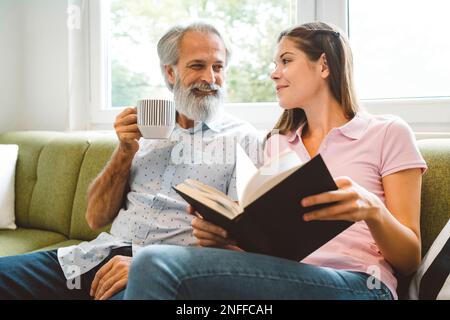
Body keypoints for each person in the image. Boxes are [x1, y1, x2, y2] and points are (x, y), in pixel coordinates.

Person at [124, 22, 427, 300]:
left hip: (358, 283)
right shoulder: (276, 144)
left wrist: (373, 211)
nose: (274, 73)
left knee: (154, 263)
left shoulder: (387, 132)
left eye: (286, 61)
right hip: (284, 279)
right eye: (275, 64)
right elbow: (266, 248)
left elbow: (410, 259)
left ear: (323, 64)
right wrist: (222, 238)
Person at [0, 21, 262, 300]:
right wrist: (125, 150)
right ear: (170, 72)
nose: (210, 77)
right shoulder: (146, 128)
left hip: (164, 271)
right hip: (93, 257)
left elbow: (240, 244)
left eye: (218, 67)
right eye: (197, 66)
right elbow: (95, 216)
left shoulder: (243, 139)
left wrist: (148, 264)